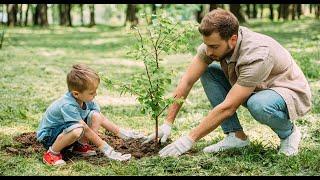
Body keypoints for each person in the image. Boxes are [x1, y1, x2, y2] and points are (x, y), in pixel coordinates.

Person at [143, 8, 312, 157]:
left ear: (232, 39)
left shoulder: (257, 54)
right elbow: (187, 80)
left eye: (214, 47)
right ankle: (236, 136)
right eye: (206, 45)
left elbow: (229, 106)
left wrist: (189, 139)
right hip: (256, 87)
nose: (208, 51)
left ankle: (289, 134)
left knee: (258, 104)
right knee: (209, 72)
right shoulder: (213, 45)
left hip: (286, 90)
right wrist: (167, 122)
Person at [37, 64, 144, 166]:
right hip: (50, 137)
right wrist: (106, 149)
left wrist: (123, 134)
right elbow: (85, 129)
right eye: (92, 92)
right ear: (76, 94)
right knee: (77, 129)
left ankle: (80, 146)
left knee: (96, 116)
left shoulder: (86, 99)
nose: (95, 94)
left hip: (64, 132)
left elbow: (101, 118)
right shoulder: (67, 105)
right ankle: (52, 154)